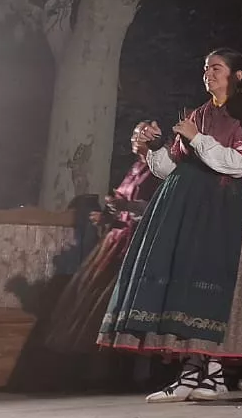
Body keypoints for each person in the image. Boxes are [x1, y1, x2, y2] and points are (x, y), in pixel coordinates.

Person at [99, 49, 242, 403]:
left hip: (224, 207)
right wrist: (150, 148)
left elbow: (239, 162)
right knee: (185, 286)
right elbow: (168, 167)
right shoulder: (198, 114)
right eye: (206, 69)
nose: (209, 74)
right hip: (186, 205)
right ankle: (190, 371)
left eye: (217, 68)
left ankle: (215, 373)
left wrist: (197, 139)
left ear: (237, 76)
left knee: (213, 283)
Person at [44, 144, 159, 355]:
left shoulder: (156, 171)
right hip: (117, 235)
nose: (135, 139)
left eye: (141, 133)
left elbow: (152, 207)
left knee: (113, 291)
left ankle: (116, 349)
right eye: (134, 134)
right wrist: (107, 215)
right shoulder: (134, 168)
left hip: (135, 238)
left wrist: (126, 207)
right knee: (91, 288)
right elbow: (122, 201)